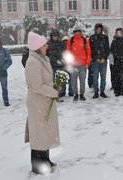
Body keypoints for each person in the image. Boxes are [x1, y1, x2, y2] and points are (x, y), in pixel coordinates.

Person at [24, 32, 60, 175]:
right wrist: (53, 92)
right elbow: (36, 86)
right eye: (44, 44)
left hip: (44, 101)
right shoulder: (32, 62)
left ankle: (46, 159)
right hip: (38, 102)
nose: (47, 46)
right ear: (38, 47)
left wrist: (55, 86)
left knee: (45, 132)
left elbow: (46, 80)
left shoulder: (43, 59)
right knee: (38, 133)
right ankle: (38, 165)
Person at [66, 24, 91, 101]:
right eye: (76, 32)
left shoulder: (85, 40)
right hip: (73, 65)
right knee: (73, 81)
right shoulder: (71, 40)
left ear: (81, 32)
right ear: (74, 32)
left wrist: (87, 62)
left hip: (83, 65)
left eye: (79, 32)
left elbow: (88, 52)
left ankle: (82, 94)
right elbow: (68, 52)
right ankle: (75, 94)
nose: (77, 33)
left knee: (82, 80)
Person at [89, 23, 110, 99]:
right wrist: (95, 58)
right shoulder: (92, 38)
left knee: (103, 77)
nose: (98, 30)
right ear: (95, 29)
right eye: (97, 29)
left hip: (103, 60)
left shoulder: (105, 37)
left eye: (100, 29)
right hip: (95, 61)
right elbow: (90, 50)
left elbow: (107, 49)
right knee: (95, 77)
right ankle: (96, 92)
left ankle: (102, 91)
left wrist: (104, 58)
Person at [46, 29, 65, 101]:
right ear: (51, 36)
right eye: (54, 36)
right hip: (51, 65)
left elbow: (64, 53)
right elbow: (46, 54)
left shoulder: (61, 43)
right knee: (52, 80)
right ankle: (53, 94)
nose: (55, 37)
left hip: (60, 65)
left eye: (56, 36)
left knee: (59, 81)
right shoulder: (48, 43)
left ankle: (59, 93)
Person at [110, 28, 123, 96]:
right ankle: (117, 90)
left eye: (120, 32)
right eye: (117, 32)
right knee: (117, 76)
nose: (119, 33)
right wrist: (116, 56)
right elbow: (112, 50)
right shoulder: (114, 41)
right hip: (117, 61)